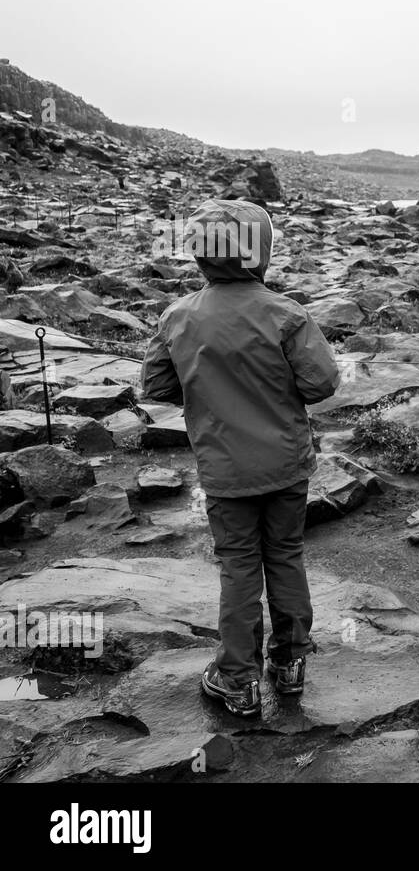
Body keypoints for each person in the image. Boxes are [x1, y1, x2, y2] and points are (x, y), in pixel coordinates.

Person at [141, 199, 340, 717]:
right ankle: (290, 664)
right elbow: (320, 385)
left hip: (226, 470)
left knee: (238, 568)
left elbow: (158, 386)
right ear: (261, 251)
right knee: (286, 555)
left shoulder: (178, 317)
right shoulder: (287, 314)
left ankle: (237, 678)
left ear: (198, 254)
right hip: (287, 465)